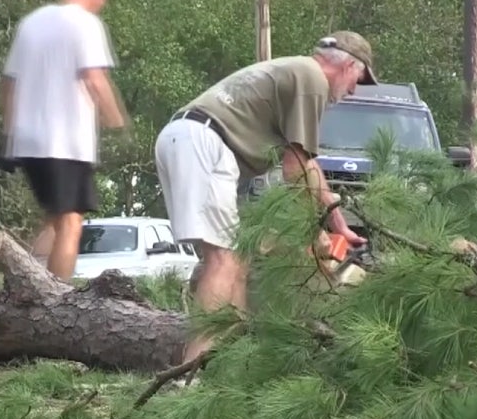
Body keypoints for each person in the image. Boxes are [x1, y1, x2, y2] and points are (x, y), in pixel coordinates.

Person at [154, 31, 376, 363]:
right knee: (223, 261)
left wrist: (338, 225)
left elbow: (308, 164)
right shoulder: (312, 79)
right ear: (346, 65)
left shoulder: (297, 71)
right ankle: (193, 374)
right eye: (359, 78)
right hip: (205, 145)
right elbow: (294, 168)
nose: (355, 89)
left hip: (186, 138)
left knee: (236, 259)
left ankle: (235, 359)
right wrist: (312, 234)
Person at [0, 0, 129, 281]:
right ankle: (58, 302)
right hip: (65, 140)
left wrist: (8, 135)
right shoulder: (84, 24)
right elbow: (94, 78)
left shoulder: (32, 23)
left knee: (54, 219)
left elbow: (9, 85)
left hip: (28, 140)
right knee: (71, 222)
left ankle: (26, 290)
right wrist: (118, 121)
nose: (104, 1)